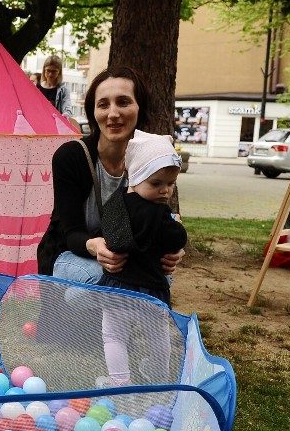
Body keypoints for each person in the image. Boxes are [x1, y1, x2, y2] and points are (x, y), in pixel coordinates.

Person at [37, 65, 185, 283]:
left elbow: (153, 221)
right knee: (101, 280)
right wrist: (95, 245)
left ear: (139, 107)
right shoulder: (71, 157)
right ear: (93, 112)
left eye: (123, 102)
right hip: (71, 254)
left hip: (124, 260)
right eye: (103, 105)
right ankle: (70, 310)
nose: (113, 114)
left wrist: (172, 245)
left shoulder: (153, 159)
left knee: (161, 278)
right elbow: (71, 234)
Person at [97, 131, 188, 386]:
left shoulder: (118, 203)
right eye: (156, 183)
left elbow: (108, 233)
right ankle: (158, 378)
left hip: (117, 285)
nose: (165, 191)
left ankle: (119, 381)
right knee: (157, 336)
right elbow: (176, 240)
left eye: (170, 184)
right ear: (135, 176)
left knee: (114, 335)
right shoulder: (157, 214)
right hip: (152, 290)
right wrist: (177, 225)